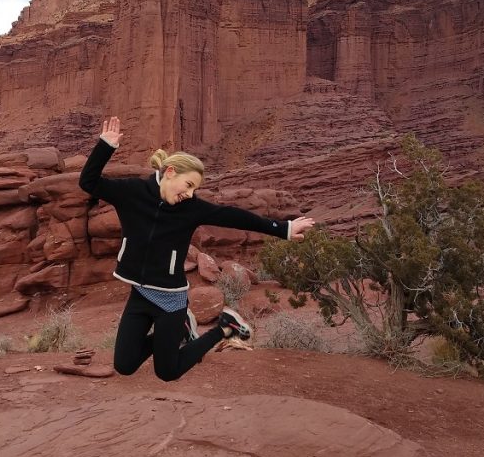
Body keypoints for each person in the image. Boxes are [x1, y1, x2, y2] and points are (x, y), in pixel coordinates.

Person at [79, 116, 315, 381]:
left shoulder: (191, 208)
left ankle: (224, 328)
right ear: (170, 173)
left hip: (170, 300)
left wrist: (282, 228)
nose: (190, 194)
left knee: (168, 372)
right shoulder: (132, 192)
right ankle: (179, 332)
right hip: (140, 293)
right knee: (124, 364)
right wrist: (104, 147)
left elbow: (234, 216)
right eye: (189, 185)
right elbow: (88, 182)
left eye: (195, 189)